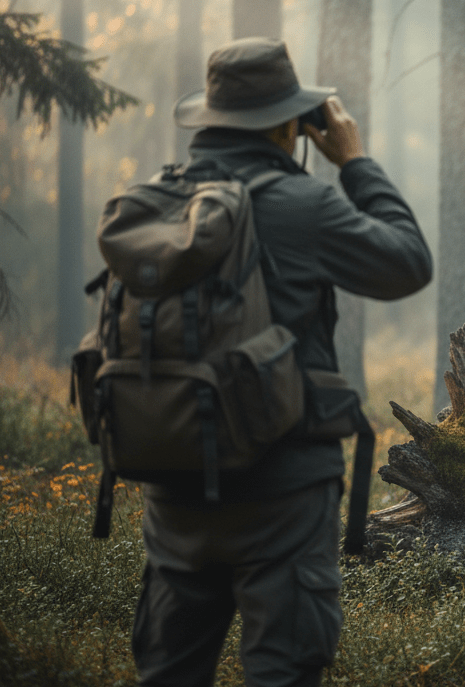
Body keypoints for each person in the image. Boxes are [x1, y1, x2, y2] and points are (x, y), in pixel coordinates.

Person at [132, 36, 432, 687]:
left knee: (168, 672)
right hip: (283, 482)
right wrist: (355, 163)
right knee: (283, 670)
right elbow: (409, 263)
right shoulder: (302, 205)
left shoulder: (158, 202)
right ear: (290, 126)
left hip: (173, 476)